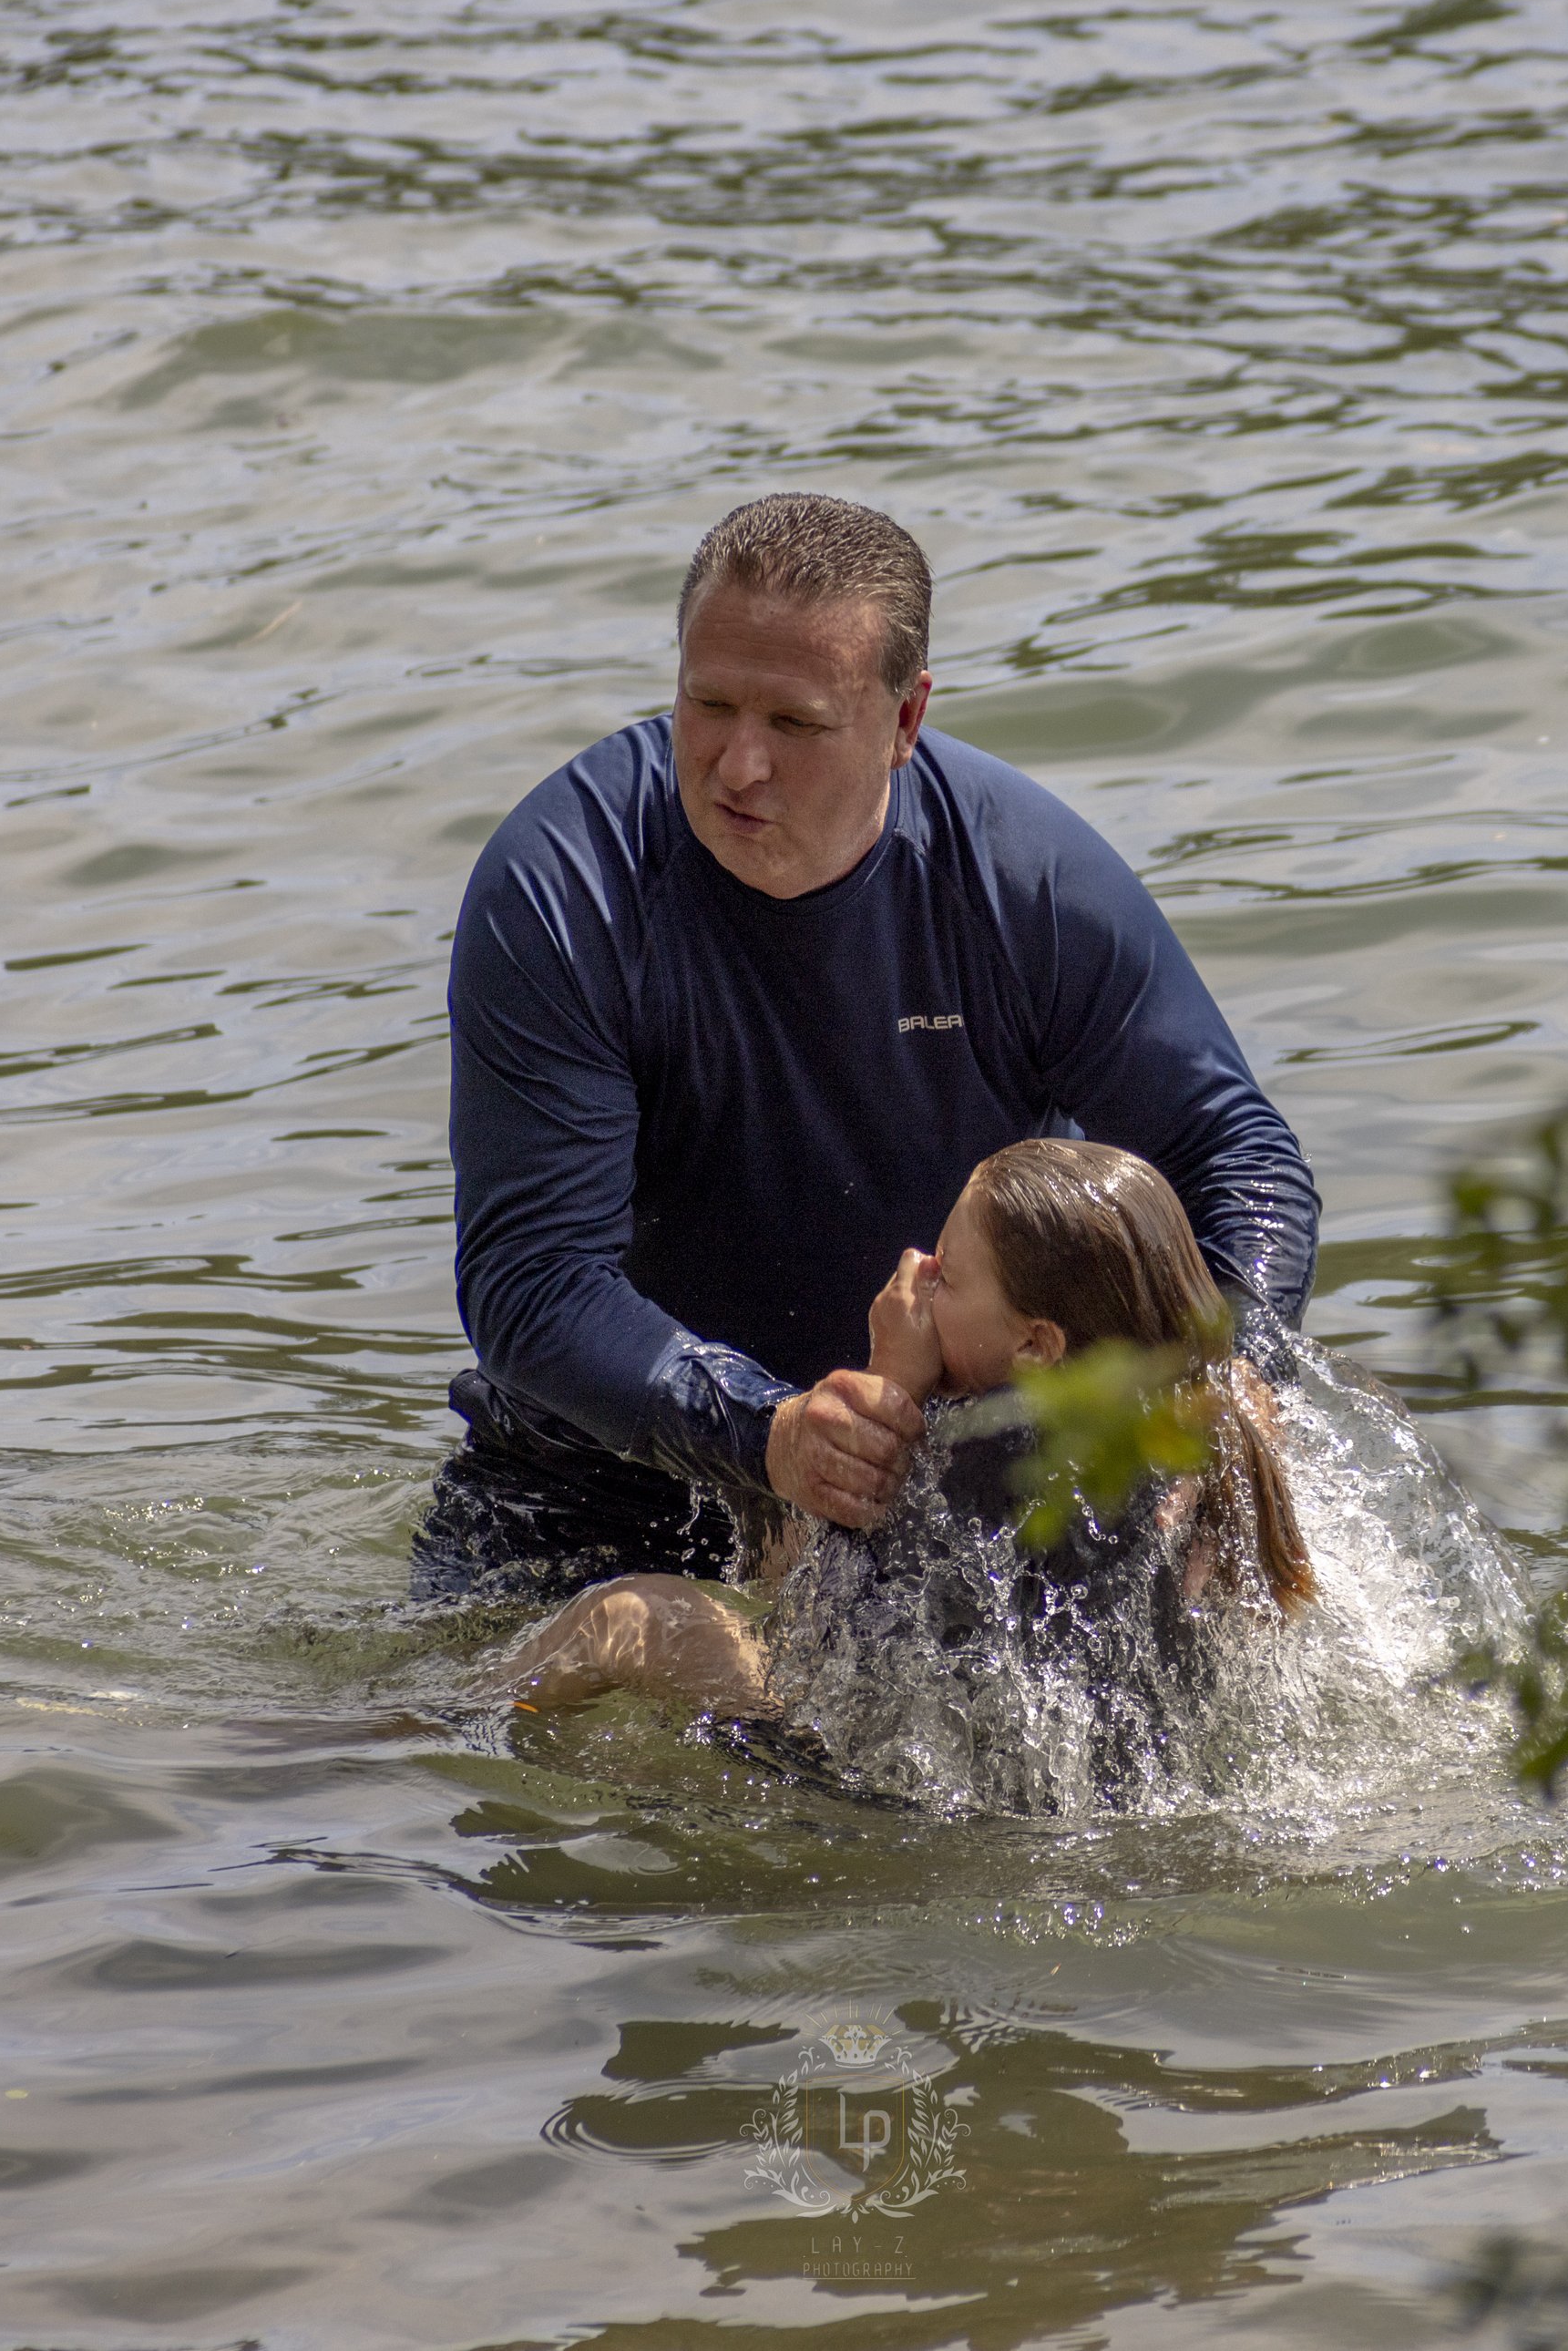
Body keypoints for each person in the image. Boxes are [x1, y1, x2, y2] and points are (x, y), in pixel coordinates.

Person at [415, 491, 1318, 1606]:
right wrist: (771, 1432)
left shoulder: (1025, 883)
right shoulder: (562, 889)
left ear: (904, 721)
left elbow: (1238, 1155)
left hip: (954, 1469)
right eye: (708, 705)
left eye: (794, 724)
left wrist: (1230, 1366)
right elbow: (529, 1281)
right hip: (608, 1478)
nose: (738, 766)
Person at [476, 1140, 1313, 1724]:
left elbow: (823, 1620)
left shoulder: (981, 1455)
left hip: (895, 1780)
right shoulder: (1192, 1432)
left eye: (946, 1272)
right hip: (1112, 1758)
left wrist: (890, 1385)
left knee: (627, 1616)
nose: (913, 1268)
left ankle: (444, 1728)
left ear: (1034, 1344)